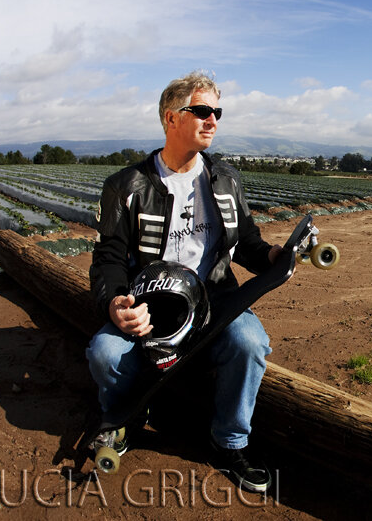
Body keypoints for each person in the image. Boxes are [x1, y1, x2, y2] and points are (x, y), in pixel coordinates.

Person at [86, 71, 284, 493]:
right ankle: (122, 419)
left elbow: (246, 242)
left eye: (217, 112)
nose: (212, 120)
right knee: (106, 352)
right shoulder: (125, 185)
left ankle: (228, 442)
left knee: (248, 342)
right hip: (150, 307)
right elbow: (107, 259)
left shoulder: (226, 179)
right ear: (170, 118)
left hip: (213, 300)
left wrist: (273, 256)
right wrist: (117, 303)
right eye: (202, 111)